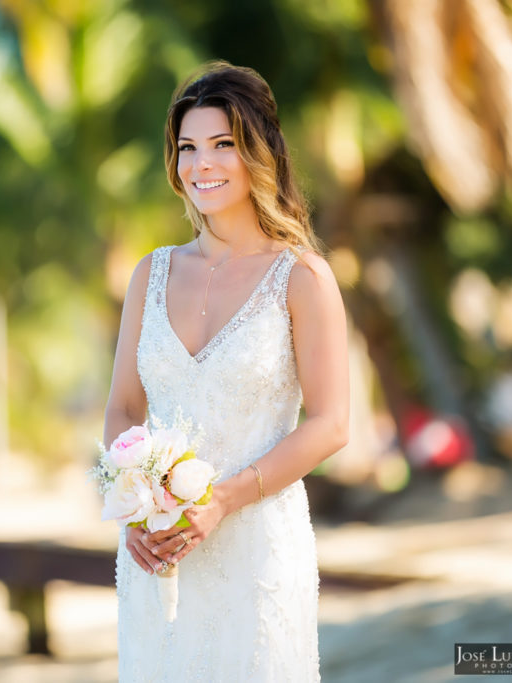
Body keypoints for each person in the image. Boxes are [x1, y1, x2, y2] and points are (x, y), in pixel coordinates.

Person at [102, 61, 350, 681]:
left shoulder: (303, 277)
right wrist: (132, 510)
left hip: (258, 555)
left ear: (258, 153)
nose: (201, 165)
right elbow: (124, 411)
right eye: (188, 147)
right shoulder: (149, 275)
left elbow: (331, 424)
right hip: (159, 559)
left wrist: (221, 502)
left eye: (222, 145)